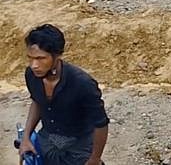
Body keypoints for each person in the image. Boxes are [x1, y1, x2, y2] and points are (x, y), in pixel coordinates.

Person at [19, 24, 109, 165]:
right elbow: (37, 102)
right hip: (47, 143)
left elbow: (101, 124)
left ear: (57, 56)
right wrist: (26, 138)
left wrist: (94, 159)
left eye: (41, 58)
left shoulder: (83, 83)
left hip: (79, 147)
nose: (34, 65)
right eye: (30, 58)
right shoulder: (31, 75)